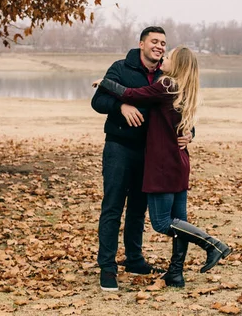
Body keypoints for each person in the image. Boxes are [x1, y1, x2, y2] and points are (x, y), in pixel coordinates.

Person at [93, 45, 232, 289]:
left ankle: (211, 244)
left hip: (162, 162)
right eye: (158, 46)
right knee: (180, 220)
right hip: (177, 160)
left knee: (161, 222)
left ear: (176, 64)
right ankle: (175, 273)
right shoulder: (185, 88)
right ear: (143, 43)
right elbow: (178, 122)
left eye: (167, 54)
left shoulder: (167, 84)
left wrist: (105, 83)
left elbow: (132, 95)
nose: (163, 55)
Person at [91, 27, 192, 291]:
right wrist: (120, 106)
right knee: (113, 208)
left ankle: (134, 259)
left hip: (151, 155)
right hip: (119, 147)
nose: (159, 47)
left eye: (163, 43)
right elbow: (98, 100)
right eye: (155, 42)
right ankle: (108, 268)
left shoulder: (166, 75)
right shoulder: (121, 67)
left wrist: (190, 133)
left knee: (138, 209)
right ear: (142, 44)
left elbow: (181, 109)